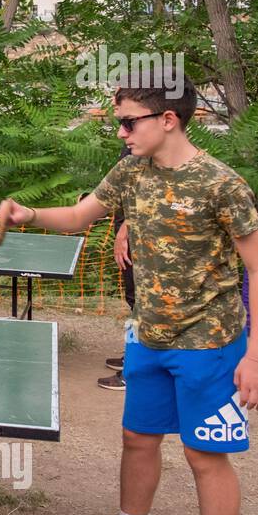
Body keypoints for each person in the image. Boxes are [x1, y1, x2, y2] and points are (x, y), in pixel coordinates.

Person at [0, 67, 258, 515]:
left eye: (128, 122)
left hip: (210, 343)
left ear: (167, 119)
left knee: (206, 456)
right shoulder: (130, 172)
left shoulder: (221, 184)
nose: (121, 133)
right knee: (137, 439)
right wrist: (29, 213)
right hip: (148, 337)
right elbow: (80, 216)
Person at [100, 143, 137, 391]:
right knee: (134, 299)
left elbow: (143, 195)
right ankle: (133, 357)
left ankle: (133, 370)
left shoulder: (147, 149)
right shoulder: (132, 144)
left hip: (136, 236)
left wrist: (125, 231)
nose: (121, 131)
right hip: (126, 226)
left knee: (141, 304)